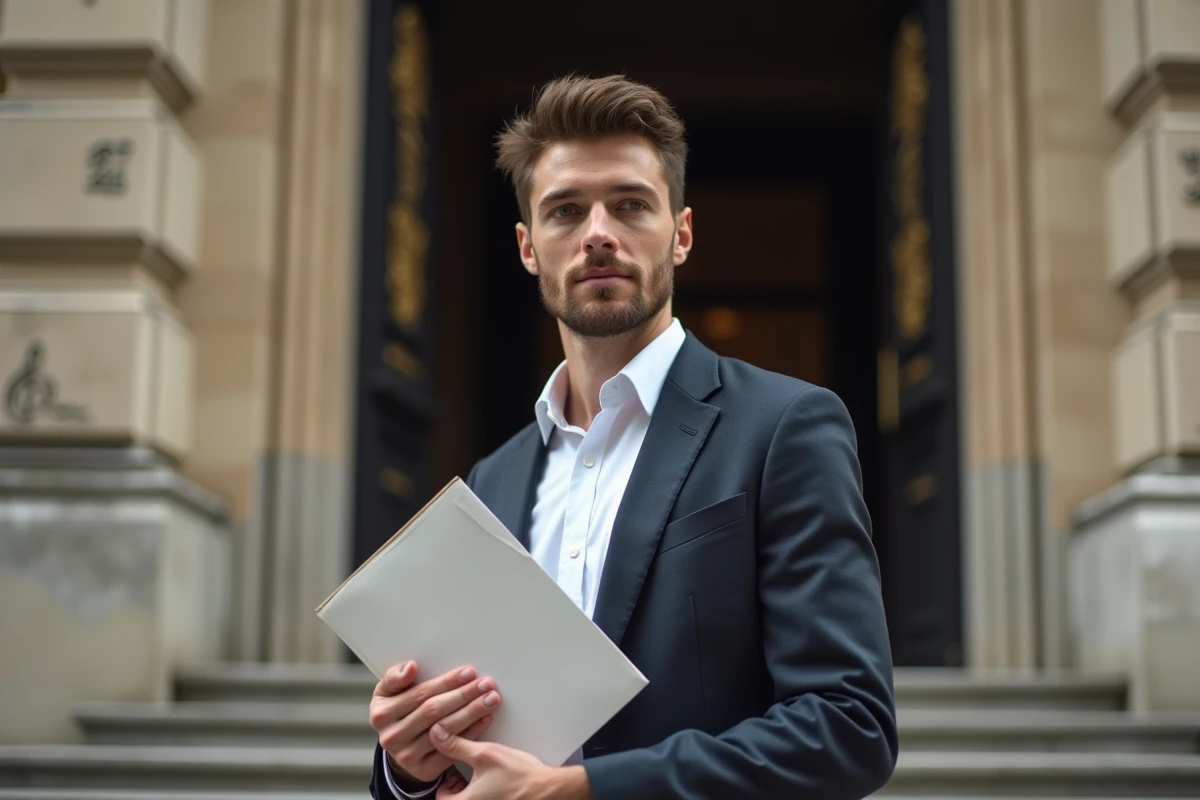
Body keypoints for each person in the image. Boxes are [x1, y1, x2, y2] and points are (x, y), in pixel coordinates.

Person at [367, 74, 898, 800]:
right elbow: (473, 743)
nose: (598, 234)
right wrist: (408, 763)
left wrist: (583, 790)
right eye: (565, 211)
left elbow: (849, 727)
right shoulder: (492, 481)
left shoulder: (786, 429)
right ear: (527, 247)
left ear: (679, 234)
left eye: (629, 205)